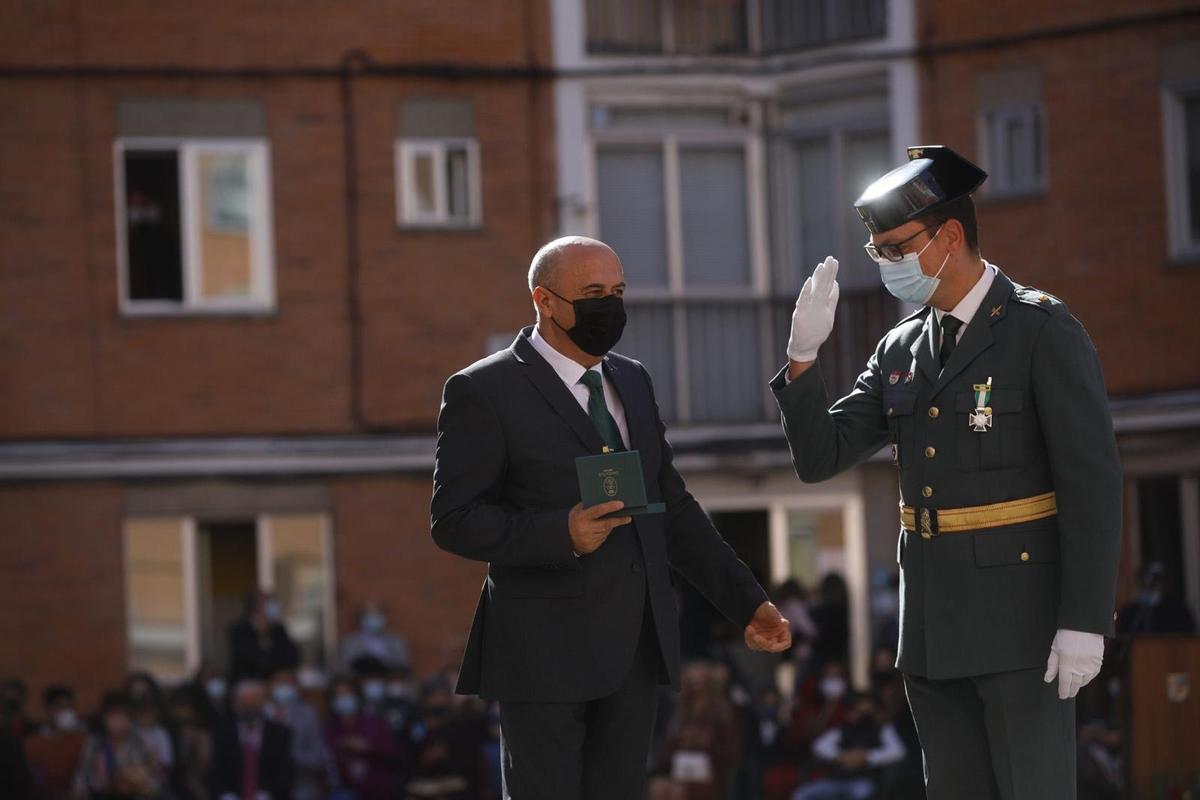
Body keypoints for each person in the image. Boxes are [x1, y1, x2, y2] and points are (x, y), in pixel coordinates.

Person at [772, 145, 1122, 799]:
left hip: (1023, 625)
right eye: (878, 253)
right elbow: (822, 458)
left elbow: (1092, 485)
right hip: (933, 628)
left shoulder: (1040, 330)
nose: (888, 265)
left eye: (897, 248)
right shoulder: (901, 347)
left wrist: (1084, 619)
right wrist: (801, 359)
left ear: (950, 236)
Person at [430, 235, 791, 799]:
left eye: (618, 291)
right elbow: (454, 519)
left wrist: (747, 600)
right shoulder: (484, 389)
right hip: (542, 653)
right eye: (593, 292)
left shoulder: (634, 380)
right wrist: (561, 533)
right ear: (543, 301)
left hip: (633, 650)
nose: (610, 305)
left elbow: (671, 506)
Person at [793, 692, 906, 800]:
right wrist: (842, 756)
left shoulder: (883, 729)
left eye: (867, 711)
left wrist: (867, 756)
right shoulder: (842, 730)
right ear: (851, 712)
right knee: (803, 794)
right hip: (836, 781)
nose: (863, 715)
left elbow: (898, 752)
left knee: (863, 792)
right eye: (859, 711)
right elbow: (818, 746)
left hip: (865, 781)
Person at [209, 679, 294, 800]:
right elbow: (216, 771)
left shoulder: (279, 733)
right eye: (244, 704)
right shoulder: (223, 732)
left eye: (253, 704)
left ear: (262, 704)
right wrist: (226, 795)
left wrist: (267, 794)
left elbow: (285, 772)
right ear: (235, 704)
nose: (249, 709)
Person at [73, 690, 165, 800]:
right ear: (104, 717)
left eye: (123, 716)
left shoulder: (139, 743)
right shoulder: (94, 743)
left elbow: (150, 781)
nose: (118, 721)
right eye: (113, 716)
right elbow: (82, 777)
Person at [322, 677, 400, 800]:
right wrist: (342, 747)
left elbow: (393, 753)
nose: (343, 699)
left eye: (347, 693)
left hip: (378, 791)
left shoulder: (375, 723)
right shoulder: (330, 729)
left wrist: (368, 747)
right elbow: (326, 761)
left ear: (357, 696)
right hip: (344, 790)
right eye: (338, 695)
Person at [266, 670, 335, 800]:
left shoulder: (307, 714)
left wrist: (287, 759)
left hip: (301, 789)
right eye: (279, 682)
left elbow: (318, 757)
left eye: (288, 682)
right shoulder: (261, 713)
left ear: (296, 687)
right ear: (269, 686)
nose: (283, 687)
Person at [25, 685, 87, 800]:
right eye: (60, 708)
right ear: (48, 710)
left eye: (69, 708)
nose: (66, 713)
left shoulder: (81, 740)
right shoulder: (33, 744)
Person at [228, 592, 299, 683]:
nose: (273, 606)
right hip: (249, 682)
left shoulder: (278, 629)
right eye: (268, 602)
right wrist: (263, 636)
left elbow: (293, 655)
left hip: (278, 681)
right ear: (256, 606)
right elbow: (251, 659)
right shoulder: (239, 630)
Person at [339, 604, 413, 675]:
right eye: (370, 615)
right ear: (361, 618)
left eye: (377, 615)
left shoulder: (396, 641)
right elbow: (344, 667)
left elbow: (405, 664)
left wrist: (385, 666)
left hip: (388, 681)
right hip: (359, 682)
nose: (374, 619)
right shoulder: (350, 642)